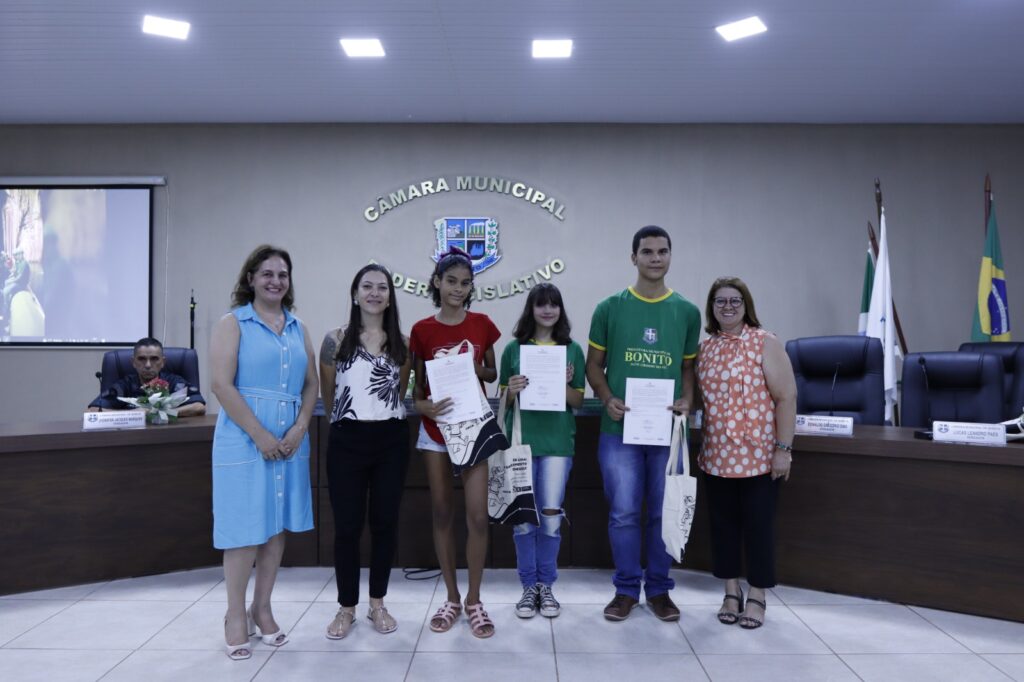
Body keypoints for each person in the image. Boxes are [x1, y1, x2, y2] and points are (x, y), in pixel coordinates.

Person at [585, 225, 702, 623]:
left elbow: (689, 369)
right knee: (623, 514)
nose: (655, 258)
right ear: (633, 257)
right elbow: (593, 366)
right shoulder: (609, 308)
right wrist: (607, 399)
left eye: (662, 251)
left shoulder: (686, 311)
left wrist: (688, 399)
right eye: (647, 252)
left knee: (662, 513)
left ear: (670, 256)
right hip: (620, 431)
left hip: (666, 431)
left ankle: (659, 591)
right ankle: (624, 590)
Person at [209, 245, 318, 660]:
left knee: (275, 528)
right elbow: (221, 385)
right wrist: (260, 435)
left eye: (283, 274)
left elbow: (311, 384)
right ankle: (235, 614)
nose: (275, 281)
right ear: (250, 278)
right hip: (244, 436)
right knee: (243, 529)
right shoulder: (233, 323)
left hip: (289, 438)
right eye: (267, 273)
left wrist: (300, 426)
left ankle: (263, 607)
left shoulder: (297, 327)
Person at [409, 247, 501, 638]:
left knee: (478, 515)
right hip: (435, 431)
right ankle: (450, 596)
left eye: (465, 283)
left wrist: (471, 366)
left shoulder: (482, 324)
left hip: (473, 429)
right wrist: (422, 405)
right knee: (443, 513)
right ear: (436, 282)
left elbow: (492, 373)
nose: (458, 289)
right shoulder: (421, 330)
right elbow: (413, 388)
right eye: (451, 281)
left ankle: (475, 600)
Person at [696, 276, 796, 629]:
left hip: (759, 457)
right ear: (711, 307)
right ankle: (729, 591)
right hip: (717, 455)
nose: (727, 307)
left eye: (734, 301)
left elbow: (786, 397)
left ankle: (757, 595)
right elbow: (698, 401)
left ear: (746, 305)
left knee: (758, 527)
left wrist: (783, 450)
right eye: (720, 301)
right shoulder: (706, 348)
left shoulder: (764, 342)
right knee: (722, 527)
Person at [318, 264, 411, 639]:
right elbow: (330, 395)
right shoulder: (335, 339)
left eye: (382, 288)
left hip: (390, 440)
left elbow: (398, 393)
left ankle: (377, 604)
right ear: (355, 293)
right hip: (346, 441)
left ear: (391, 296)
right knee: (347, 527)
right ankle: (346, 607)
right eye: (367, 286)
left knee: (385, 524)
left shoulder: (401, 343)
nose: (375, 293)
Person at [500, 283, 585, 619]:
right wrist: (513, 389)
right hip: (521, 443)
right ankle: (527, 588)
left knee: (550, 519)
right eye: (541, 305)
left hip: (557, 444)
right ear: (530, 309)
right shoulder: (514, 349)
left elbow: (577, 401)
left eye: (554, 305)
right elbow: (502, 401)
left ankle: (546, 586)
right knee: (522, 521)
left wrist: (563, 384)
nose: (548, 311)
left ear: (560, 310)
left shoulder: (572, 350)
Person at [87, 337, 206, 415]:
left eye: (154, 359)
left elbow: (199, 407)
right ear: (133, 362)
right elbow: (92, 411)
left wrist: (162, 412)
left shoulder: (175, 383)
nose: (148, 365)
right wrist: (136, 414)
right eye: (142, 359)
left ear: (163, 362)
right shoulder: (124, 386)